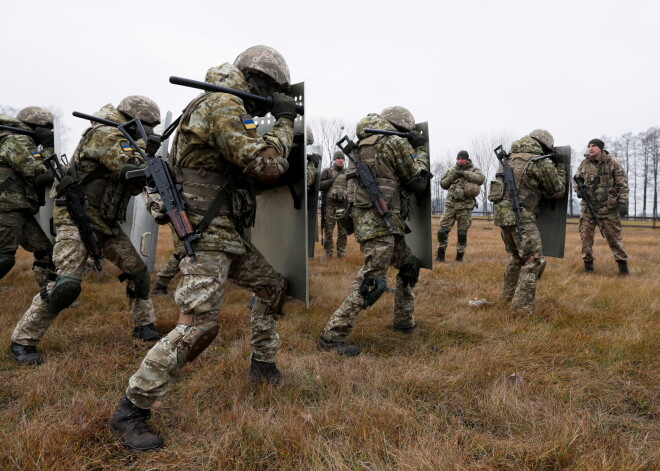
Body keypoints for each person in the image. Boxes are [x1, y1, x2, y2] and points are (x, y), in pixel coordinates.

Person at [108, 45, 297, 451]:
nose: (266, 101)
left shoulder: (223, 105)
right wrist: (284, 121)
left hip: (225, 232)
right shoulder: (223, 104)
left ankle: (263, 366)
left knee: (271, 287)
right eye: (268, 89)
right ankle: (131, 410)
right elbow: (266, 165)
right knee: (198, 325)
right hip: (206, 232)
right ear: (255, 81)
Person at [10, 96, 163, 366]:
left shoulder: (123, 139)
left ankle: (144, 325)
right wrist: (146, 154)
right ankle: (23, 340)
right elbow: (128, 169)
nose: (149, 133)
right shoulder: (105, 134)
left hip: (103, 221)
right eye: (147, 127)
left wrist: (146, 156)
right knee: (65, 285)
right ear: (133, 121)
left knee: (138, 273)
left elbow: (135, 183)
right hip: (74, 216)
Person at [317, 106, 430, 356]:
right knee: (371, 281)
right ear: (402, 127)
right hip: (380, 221)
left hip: (375, 220)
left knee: (409, 265)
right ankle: (331, 335)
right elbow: (418, 181)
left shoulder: (363, 141)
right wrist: (420, 150)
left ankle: (403, 322)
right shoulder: (393, 142)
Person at [489, 131, 565, 314]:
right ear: (545, 146)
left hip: (502, 217)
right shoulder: (540, 161)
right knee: (534, 261)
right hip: (521, 217)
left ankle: (507, 300)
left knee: (516, 258)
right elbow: (556, 191)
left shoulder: (508, 159)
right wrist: (560, 168)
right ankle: (521, 310)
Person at [0, 107, 56, 288]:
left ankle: (49, 294)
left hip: (18, 208)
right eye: (46, 128)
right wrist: (48, 147)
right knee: (4, 257)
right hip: (7, 207)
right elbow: (39, 172)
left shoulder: (18, 140)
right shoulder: (16, 140)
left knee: (45, 250)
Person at [574, 138, 629, 275]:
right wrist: (578, 190)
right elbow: (577, 179)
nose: (590, 148)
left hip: (608, 209)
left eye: (593, 146)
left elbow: (622, 185)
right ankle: (588, 268)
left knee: (614, 238)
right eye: (589, 146)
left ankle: (623, 269)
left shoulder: (613, 163)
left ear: (601, 148)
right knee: (585, 237)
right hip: (588, 208)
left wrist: (623, 203)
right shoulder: (584, 163)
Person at [436, 150, 484, 262]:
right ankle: (440, 256)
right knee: (442, 231)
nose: (460, 161)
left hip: (465, 206)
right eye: (458, 159)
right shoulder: (452, 170)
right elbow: (443, 184)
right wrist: (452, 176)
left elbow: (481, 179)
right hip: (451, 205)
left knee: (462, 233)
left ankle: (459, 257)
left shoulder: (474, 170)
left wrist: (465, 174)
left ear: (467, 159)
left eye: (462, 159)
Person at [319, 150, 348, 257]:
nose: (340, 160)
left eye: (342, 158)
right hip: (330, 205)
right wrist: (330, 181)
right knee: (328, 231)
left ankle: (341, 252)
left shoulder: (348, 173)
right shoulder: (327, 171)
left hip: (343, 206)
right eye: (338, 158)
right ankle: (328, 252)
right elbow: (319, 186)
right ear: (334, 160)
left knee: (343, 231)